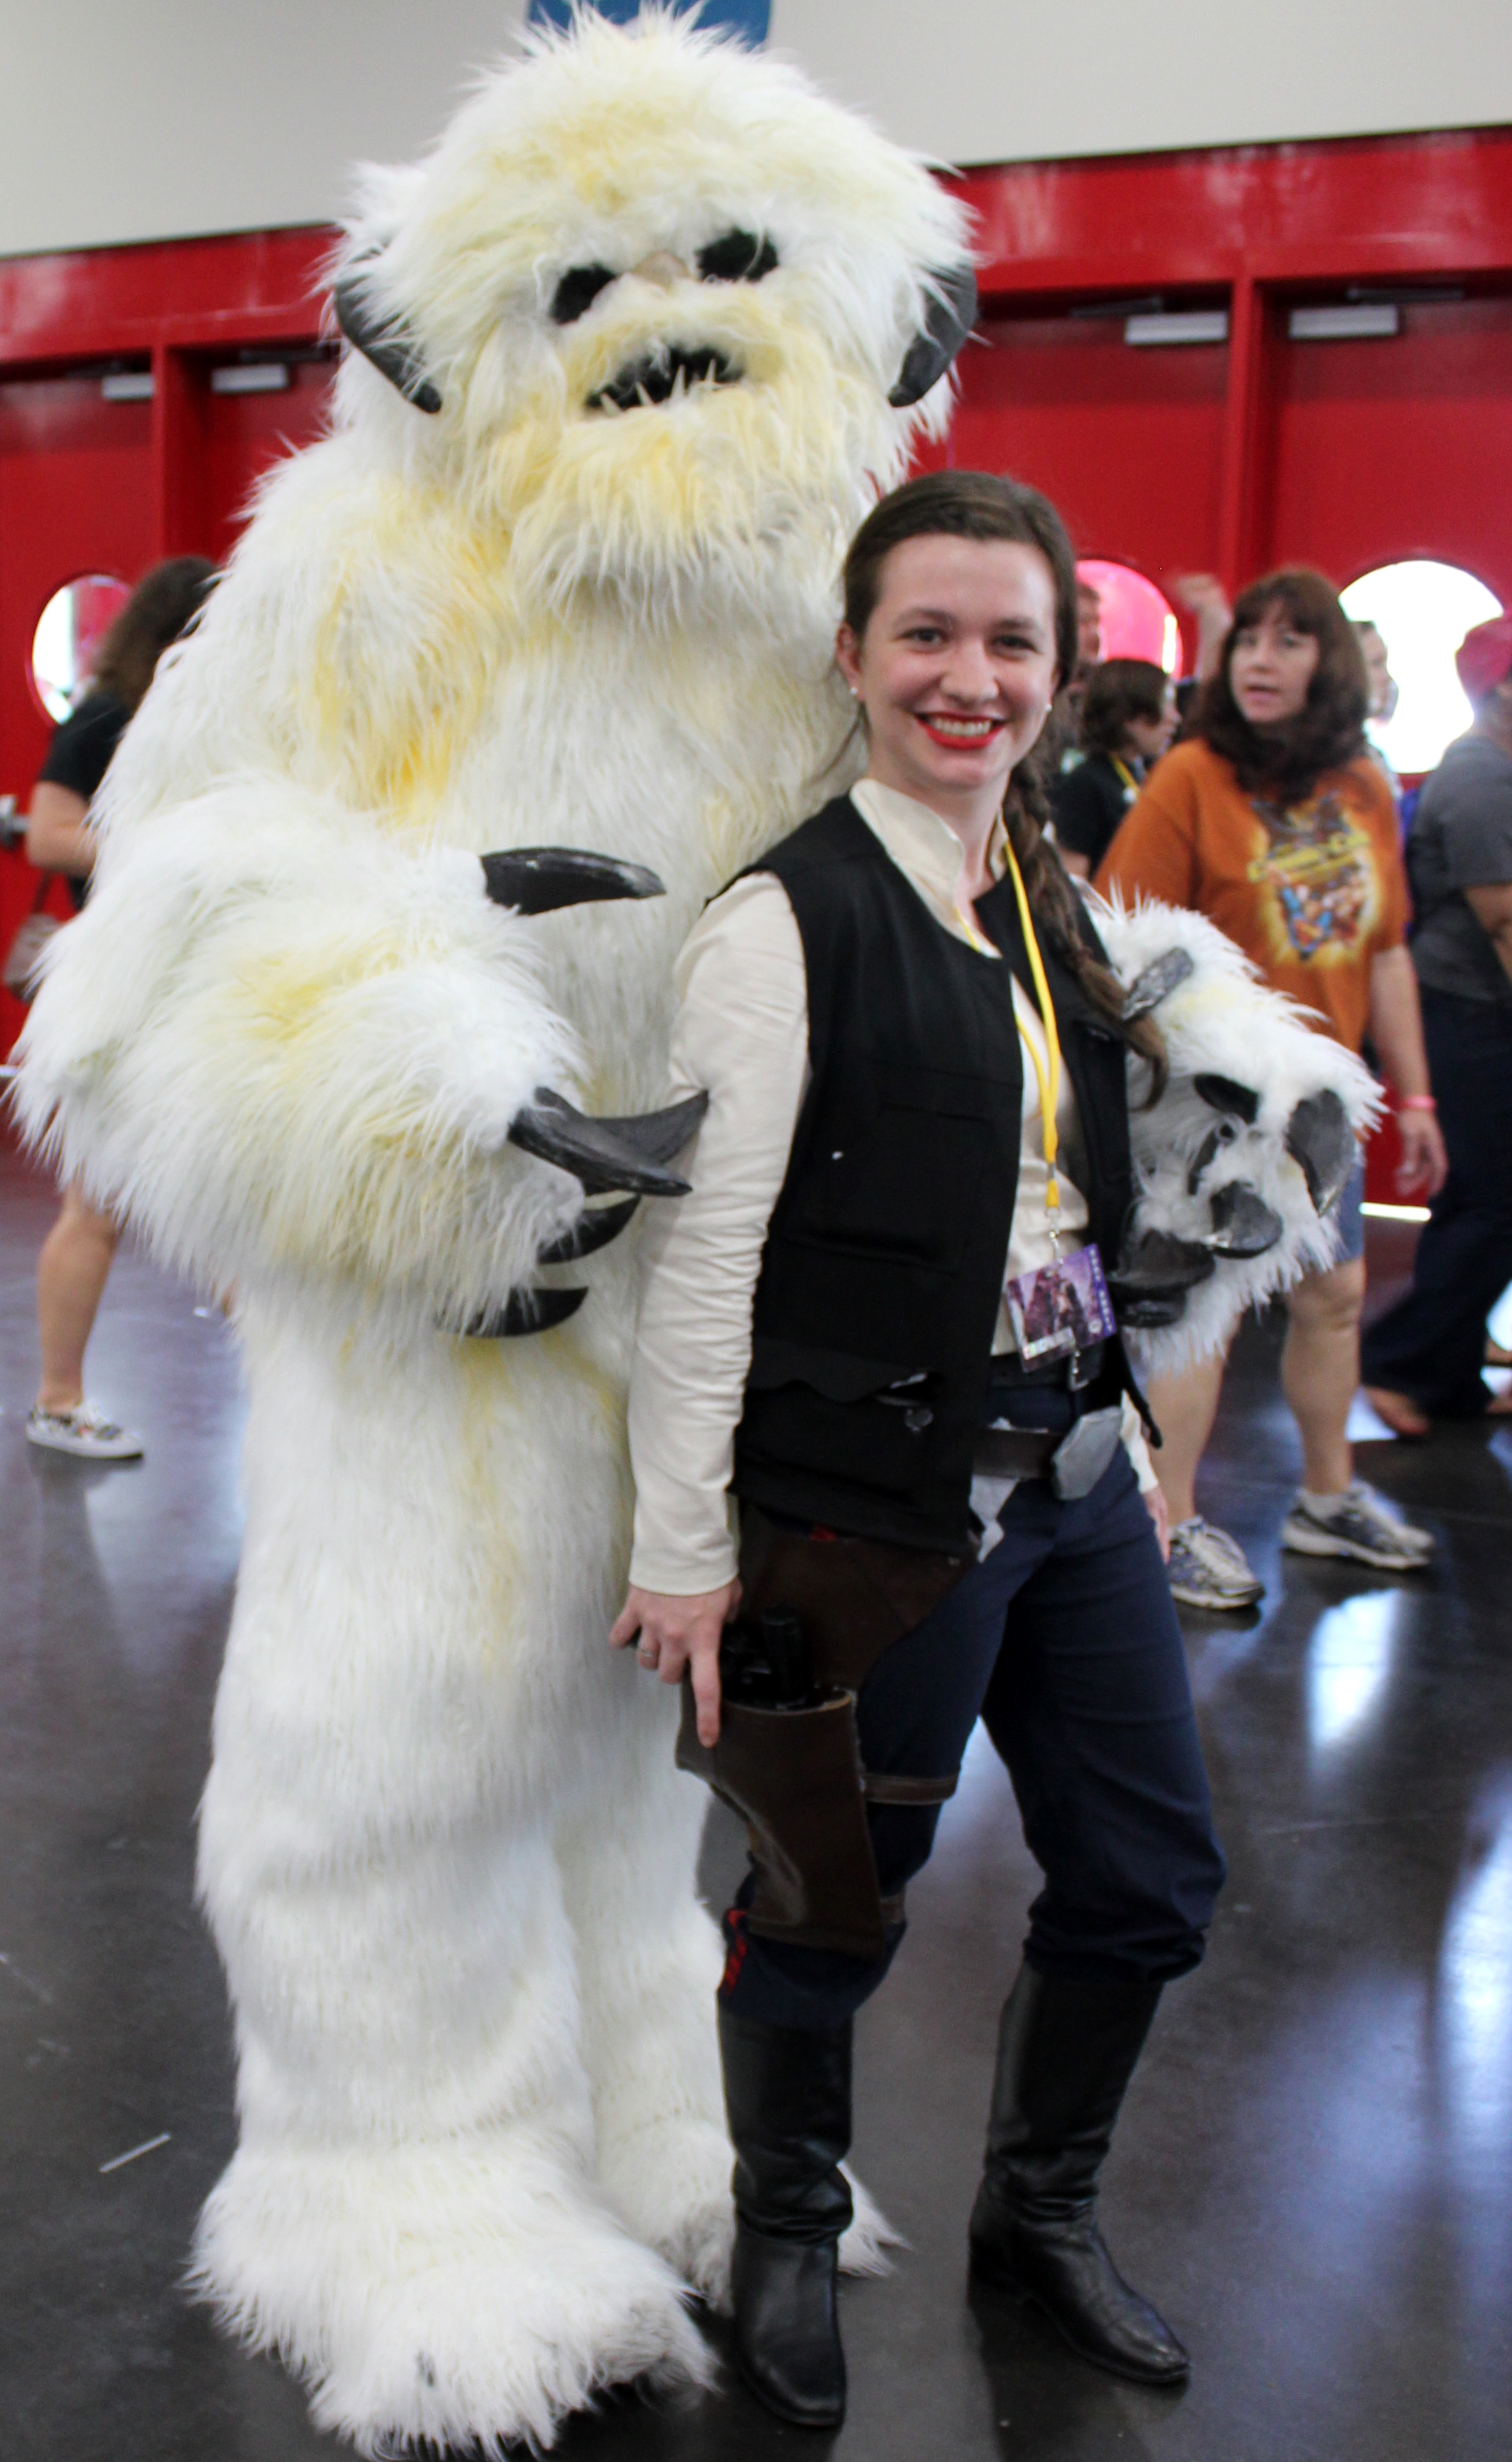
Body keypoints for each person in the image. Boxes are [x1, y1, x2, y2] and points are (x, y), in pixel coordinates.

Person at [612, 471, 1228, 2427]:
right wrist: (681, 1548)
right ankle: (781, 2231)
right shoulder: (779, 924)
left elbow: (1057, 1204)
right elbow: (701, 1265)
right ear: (853, 655)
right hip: (868, 1519)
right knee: (825, 1893)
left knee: (1147, 1876)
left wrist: (1136, 1447)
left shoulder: (1037, 896)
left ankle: (1034, 2217)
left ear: (1058, 667)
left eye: (1008, 641)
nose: (969, 676)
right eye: (927, 635)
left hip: (1072, 1481)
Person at [1097, 568, 1447, 1608]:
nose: (1259, 657)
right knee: (1198, 1316)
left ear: (1328, 662)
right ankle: (1169, 1523)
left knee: (1333, 1296)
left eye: (1289, 641)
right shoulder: (1190, 776)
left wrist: (1414, 1097)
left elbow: (1385, 948)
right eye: (1248, 637)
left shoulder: (1362, 783)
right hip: (1206, 1113)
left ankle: (1326, 1496)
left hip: (1317, 1109)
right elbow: (1119, 935)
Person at [23, 556, 215, 1460]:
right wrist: (161, 852)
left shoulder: (209, 725)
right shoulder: (104, 718)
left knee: (230, 1208)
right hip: (116, 993)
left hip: (192, 988)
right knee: (95, 1209)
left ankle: (306, 1408)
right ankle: (58, 1401)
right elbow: (48, 833)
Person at [1361, 615, 1512, 1429]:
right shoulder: (1481, 779)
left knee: (1485, 1202)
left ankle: (1445, 1375)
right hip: (1466, 1015)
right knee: (1489, 1201)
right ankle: (1403, 1366)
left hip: (1480, 1013)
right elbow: (1504, 920)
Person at [1053, 658, 1178, 878]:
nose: (1175, 718)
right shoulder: (1086, 783)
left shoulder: (1147, 774)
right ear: (1129, 714)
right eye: (1165, 703)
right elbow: (1073, 878)